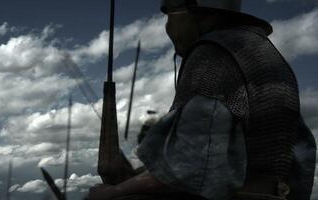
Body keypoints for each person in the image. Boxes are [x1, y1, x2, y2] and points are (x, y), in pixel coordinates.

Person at [88, 0, 316, 200]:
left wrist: (116, 191)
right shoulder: (263, 52)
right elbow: (298, 161)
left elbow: (192, 167)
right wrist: (132, 175)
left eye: (170, 16)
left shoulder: (212, 55)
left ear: (194, 11)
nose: (168, 27)